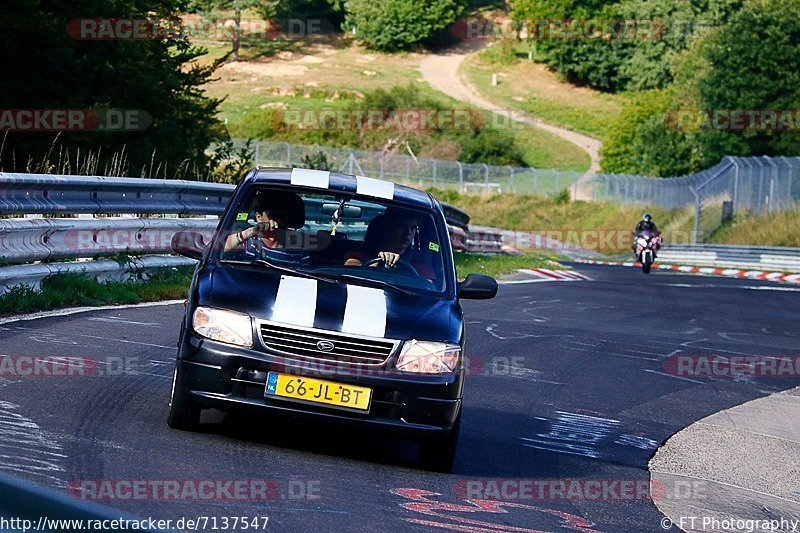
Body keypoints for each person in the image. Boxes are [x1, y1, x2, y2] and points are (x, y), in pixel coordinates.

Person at [223, 191, 303, 253]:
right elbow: (216, 249)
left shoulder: (298, 243)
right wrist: (250, 232)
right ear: (259, 217)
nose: (278, 221)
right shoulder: (248, 242)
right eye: (272, 216)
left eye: (283, 216)